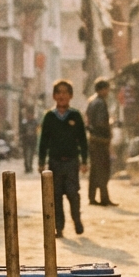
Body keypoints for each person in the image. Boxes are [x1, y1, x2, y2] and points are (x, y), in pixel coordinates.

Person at [37, 79, 89, 237]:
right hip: (55, 162)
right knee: (56, 195)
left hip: (72, 162)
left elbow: (83, 140)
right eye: (58, 92)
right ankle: (58, 227)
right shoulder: (49, 117)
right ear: (54, 96)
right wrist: (41, 162)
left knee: (73, 194)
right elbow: (43, 141)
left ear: (70, 96)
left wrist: (84, 161)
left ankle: (77, 219)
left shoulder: (75, 116)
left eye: (65, 92)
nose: (62, 96)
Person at [86, 78, 117, 206]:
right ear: (103, 89)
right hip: (100, 142)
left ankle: (92, 197)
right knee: (103, 170)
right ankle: (104, 198)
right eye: (107, 89)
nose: (108, 92)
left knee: (95, 171)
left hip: (94, 140)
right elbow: (100, 123)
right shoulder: (100, 103)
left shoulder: (92, 102)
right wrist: (109, 125)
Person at [20, 110, 38, 174]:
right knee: (26, 155)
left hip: (32, 141)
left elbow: (37, 130)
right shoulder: (24, 122)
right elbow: (22, 131)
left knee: (31, 155)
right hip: (26, 141)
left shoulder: (35, 122)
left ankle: (30, 167)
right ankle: (27, 167)